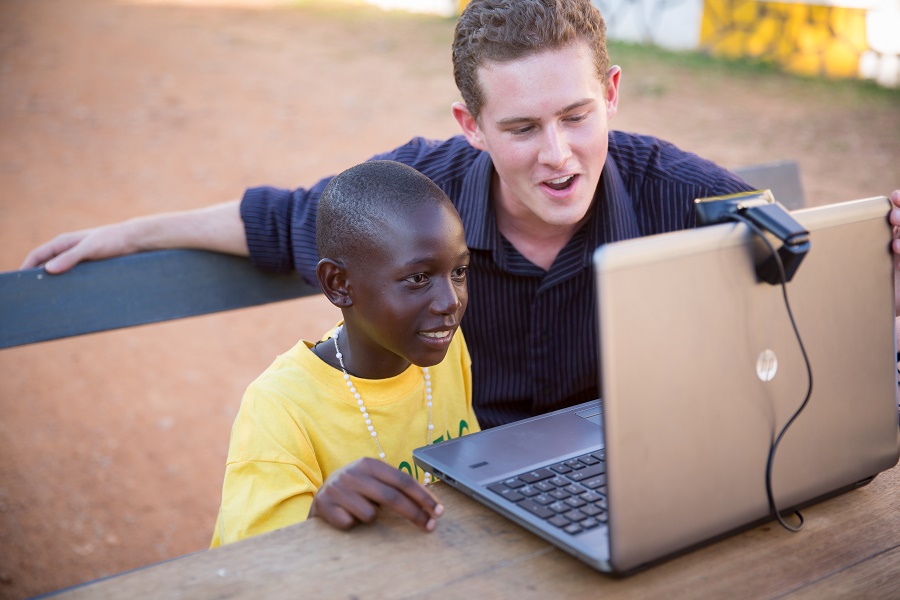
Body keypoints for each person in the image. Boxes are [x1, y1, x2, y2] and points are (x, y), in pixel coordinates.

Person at [20, 0, 900, 429]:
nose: (557, 155)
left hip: (627, 465)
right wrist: (129, 233)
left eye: (576, 116)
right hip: (459, 476)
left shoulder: (681, 188)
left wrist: (883, 273)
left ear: (613, 93)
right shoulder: (415, 192)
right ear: (469, 125)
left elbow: (806, 279)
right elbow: (280, 218)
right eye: (519, 128)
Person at [210, 160, 479, 546]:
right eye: (418, 278)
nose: (450, 301)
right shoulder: (281, 407)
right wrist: (317, 515)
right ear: (339, 284)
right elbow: (251, 566)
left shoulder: (446, 348)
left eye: (459, 271)